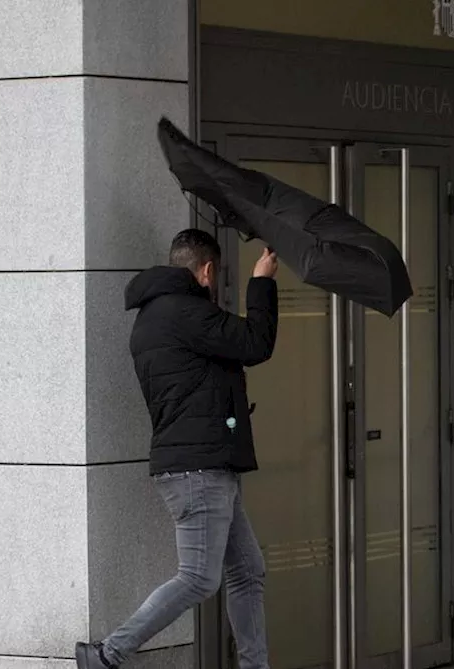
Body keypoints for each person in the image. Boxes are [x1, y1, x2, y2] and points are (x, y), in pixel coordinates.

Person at [76, 228, 279, 669]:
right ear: (206, 270)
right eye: (217, 273)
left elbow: (202, 378)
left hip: (203, 465)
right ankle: (109, 654)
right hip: (199, 470)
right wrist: (262, 280)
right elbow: (255, 343)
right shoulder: (186, 313)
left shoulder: (156, 315)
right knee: (199, 578)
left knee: (246, 572)